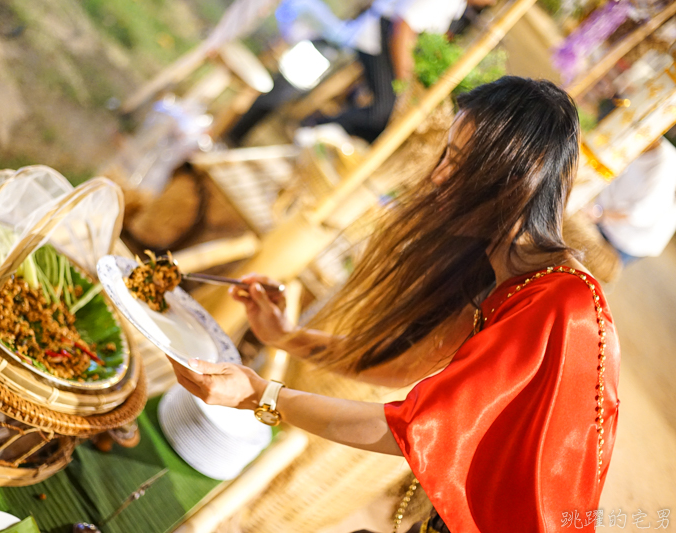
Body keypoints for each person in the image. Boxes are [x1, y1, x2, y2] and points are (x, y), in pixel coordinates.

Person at [169, 77, 620, 532]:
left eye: (459, 163)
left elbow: (407, 431)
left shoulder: (562, 303)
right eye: (445, 156)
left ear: (517, 178)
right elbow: (399, 367)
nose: (439, 176)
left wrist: (260, 396)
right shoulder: (501, 281)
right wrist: (283, 337)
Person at [228, 0, 495, 145]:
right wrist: (405, 79)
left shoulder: (457, 8)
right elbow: (402, 28)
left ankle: (313, 133)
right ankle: (306, 132)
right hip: (366, 42)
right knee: (381, 110)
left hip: (367, 41)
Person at [587, 137, 676, 265]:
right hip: (603, 218)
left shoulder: (666, 166)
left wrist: (599, 214)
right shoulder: (634, 140)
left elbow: (641, 214)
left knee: (588, 271)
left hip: (626, 240)